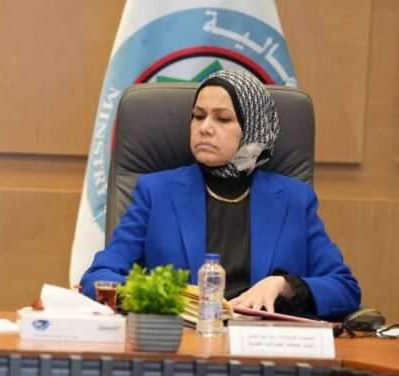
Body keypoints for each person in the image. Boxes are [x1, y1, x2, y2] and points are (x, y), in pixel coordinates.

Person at [80, 69, 360, 321]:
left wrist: (283, 285)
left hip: (262, 346)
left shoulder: (294, 199)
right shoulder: (156, 192)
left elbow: (344, 289)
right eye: (198, 116)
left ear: (253, 129)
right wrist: (164, 296)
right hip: (182, 343)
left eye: (223, 119)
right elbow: (98, 279)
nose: (204, 127)